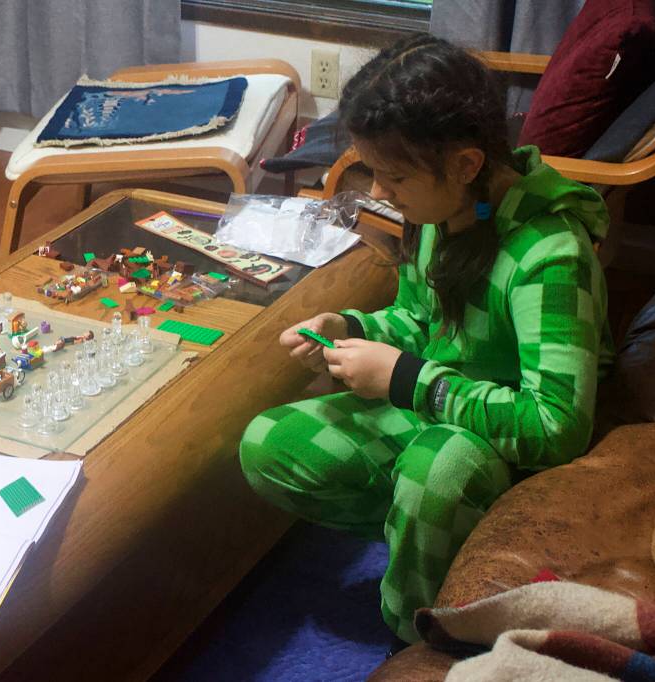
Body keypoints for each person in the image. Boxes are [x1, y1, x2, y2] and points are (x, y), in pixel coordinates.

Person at [238, 33, 615, 644]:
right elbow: (420, 320)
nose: (380, 193)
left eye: (394, 176)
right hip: (439, 406)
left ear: (466, 164)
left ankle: (418, 631)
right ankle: (428, 535)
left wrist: (408, 379)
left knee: (437, 467)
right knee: (269, 443)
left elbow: (557, 428)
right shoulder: (444, 213)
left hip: (513, 445)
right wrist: (354, 329)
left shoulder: (549, 254)